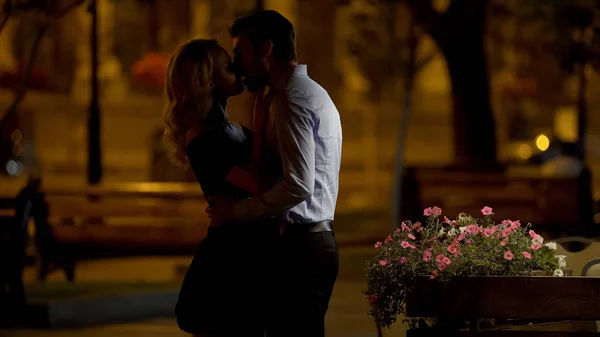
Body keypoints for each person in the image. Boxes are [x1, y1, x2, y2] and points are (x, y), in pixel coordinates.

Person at [207, 10, 343, 337]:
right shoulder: (294, 96)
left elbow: (297, 186)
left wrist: (236, 213)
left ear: (266, 49)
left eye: (241, 53)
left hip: (302, 247)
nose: (237, 64)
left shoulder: (292, 100)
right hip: (308, 244)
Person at [164, 38, 280, 337]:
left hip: (251, 255)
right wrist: (259, 117)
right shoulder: (203, 139)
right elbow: (260, 185)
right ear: (208, 81)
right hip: (230, 265)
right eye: (228, 67)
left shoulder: (233, 129)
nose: (237, 71)